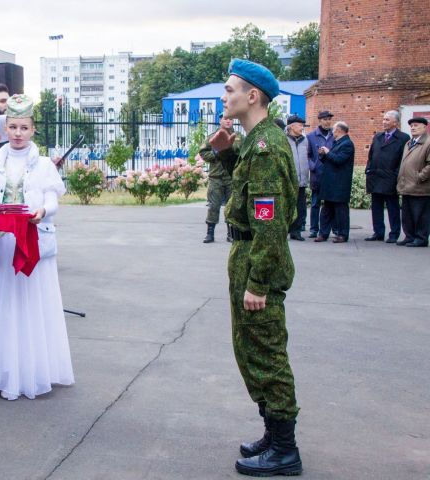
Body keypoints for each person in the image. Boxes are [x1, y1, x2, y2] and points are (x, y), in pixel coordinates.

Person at [209, 59, 302, 477]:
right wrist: (226, 154)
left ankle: (285, 451)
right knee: (250, 351)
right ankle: (272, 434)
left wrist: (258, 282)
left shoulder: (266, 146)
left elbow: (270, 223)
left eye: (230, 90)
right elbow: (247, 197)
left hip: (255, 258)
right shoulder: (253, 141)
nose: (224, 96)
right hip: (245, 255)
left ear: (253, 96)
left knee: (266, 354)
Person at [0, 94, 74, 400]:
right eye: (12, 127)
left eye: (24, 127)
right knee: (0, 304)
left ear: (33, 129)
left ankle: (33, 369)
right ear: (5, 129)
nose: (17, 133)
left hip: (31, 245)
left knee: (30, 304)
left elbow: (52, 198)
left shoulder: (42, 166)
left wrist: (44, 212)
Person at [364, 110, 410, 242]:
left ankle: (394, 234)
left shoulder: (403, 138)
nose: (384, 122)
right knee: (376, 207)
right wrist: (369, 169)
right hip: (375, 176)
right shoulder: (378, 136)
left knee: (392, 207)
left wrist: (396, 174)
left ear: (395, 122)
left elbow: (403, 159)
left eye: (387, 120)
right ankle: (378, 232)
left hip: (390, 177)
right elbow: (371, 155)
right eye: (383, 119)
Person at [198, 114, 237, 243]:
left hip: (231, 177)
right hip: (216, 177)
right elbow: (203, 152)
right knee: (213, 206)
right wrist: (215, 154)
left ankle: (231, 233)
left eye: (230, 119)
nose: (228, 121)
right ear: (220, 121)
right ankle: (210, 233)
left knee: (232, 206)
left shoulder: (238, 137)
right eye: (225, 119)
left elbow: (243, 152)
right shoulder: (212, 137)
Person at [315, 121, 355, 243]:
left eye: (334, 130)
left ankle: (342, 234)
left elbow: (339, 160)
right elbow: (330, 160)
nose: (332, 132)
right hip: (330, 182)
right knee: (326, 209)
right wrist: (323, 154)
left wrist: (327, 152)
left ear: (339, 131)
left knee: (341, 210)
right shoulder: (337, 143)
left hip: (340, 183)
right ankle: (323, 233)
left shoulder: (347, 144)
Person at [396, 117, 430, 247]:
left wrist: (419, 177)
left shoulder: (427, 142)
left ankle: (421, 238)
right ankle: (409, 236)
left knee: (421, 214)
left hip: (420, 187)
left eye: (416, 125)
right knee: (407, 214)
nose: (413, 127)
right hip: (407, 185)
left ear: (425, 127)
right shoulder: (409, 143)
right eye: (411, 126)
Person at [306, 110, 335, 238]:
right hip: (317, 175)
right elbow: (307, 155)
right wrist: (313, 166)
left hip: (331, 174)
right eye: (325, 119)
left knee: (331, 203)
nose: (328, 122)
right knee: (315, 203)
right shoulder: (311, 136)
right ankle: (313, 229)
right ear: (320, 120)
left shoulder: (334, 135)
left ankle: (331, 228)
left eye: (329, 119)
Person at [285, 115, 310, 241]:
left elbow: (310, 156)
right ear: (292, 126)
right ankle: (285, 230)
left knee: (300, 207)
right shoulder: (284, 140)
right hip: (288, 181)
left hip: (301, 181)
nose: (302, 128)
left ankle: (296, 231)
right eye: (300, 125)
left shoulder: (305, 140)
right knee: (286, 206)